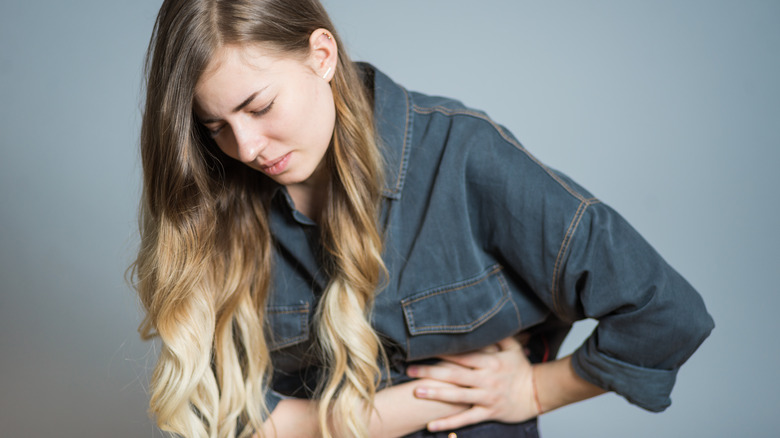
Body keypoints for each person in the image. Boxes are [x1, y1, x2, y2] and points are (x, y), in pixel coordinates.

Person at [131, 0, 714, 437]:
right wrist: (395, 408)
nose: (247, 145)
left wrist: (537, 388)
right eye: (216, 127)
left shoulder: (463, 155)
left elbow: (665, 313)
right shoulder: (217, 199)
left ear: (321, 55)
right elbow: (228, 414)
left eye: (259, 107)